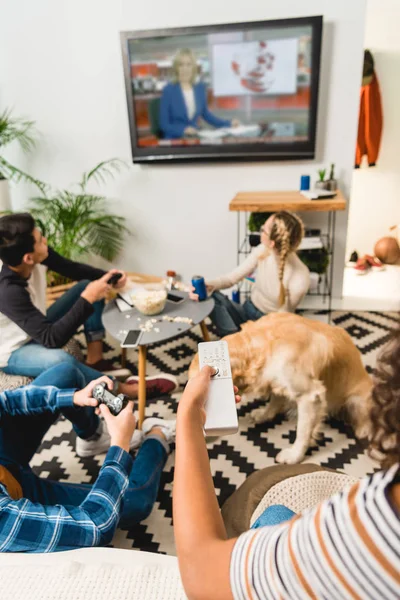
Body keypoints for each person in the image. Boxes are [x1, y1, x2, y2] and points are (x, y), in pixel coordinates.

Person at [173, 324, 400, 599]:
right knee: (275, 514)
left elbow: (200, 575)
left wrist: (187, 419)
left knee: (257, 508)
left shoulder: (377, 516)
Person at [0, 363, 176, 552]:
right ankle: (157, 436)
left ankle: (92, 437)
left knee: (66, 374)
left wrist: (75, 397)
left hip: (5, 461)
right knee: (133, 500)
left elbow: (5, 401)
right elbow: (95, 525)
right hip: (16, 496)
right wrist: (119, 445)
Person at [0, 213, 177, 399]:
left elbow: (72, 268)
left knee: (91, 284)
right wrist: (87, 299)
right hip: (13, 349)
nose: (45, 240)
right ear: (28, 258)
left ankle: (95, 360)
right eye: (39, 240)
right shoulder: (8, 291)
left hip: (36, 323)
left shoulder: (29, 255)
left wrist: (110, 277)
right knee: (62, 361)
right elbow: (51, 339)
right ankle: (122, 390)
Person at [191, 211, 310, 337]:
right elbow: (231, 279)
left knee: (257, 345)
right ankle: (235, 340)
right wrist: (207, 285)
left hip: (268, 328)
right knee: (212, 296)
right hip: (247, 310)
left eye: (263, 229)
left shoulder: (300, 278)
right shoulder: (263, 250)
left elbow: (281, 323)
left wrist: (254, 334)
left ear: (272, 242)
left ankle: (234, 342)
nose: (261, 230)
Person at [159, 48, 240, 140]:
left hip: (194, 138)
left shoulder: (200, 88)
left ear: (193, 67)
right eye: (181, 65)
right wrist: (183, 130)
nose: (185, 68)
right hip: (175, 140)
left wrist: (228, 123)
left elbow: (206, 115)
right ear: (176, 68)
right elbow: (164, 125)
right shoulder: (168, 90)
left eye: (188, 65)